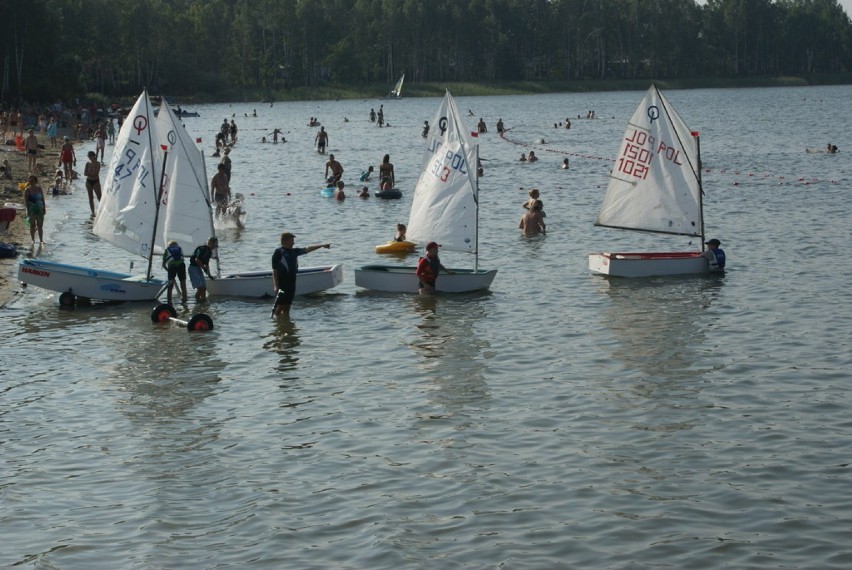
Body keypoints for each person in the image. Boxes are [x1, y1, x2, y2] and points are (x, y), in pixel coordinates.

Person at [271, 232, 331, 318]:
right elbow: (274, 270)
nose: (293, 243)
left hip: (292, 282)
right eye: (292, 241)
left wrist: (321, 245)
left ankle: (285, 324)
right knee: (280, 306)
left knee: (288, 306)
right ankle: (277, 322)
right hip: (282, 283)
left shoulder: (294, 251)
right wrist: (275, 285)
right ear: (285, 241)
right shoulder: (278, 252)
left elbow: (307, 249)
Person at [189, 237, 218, 302]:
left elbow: (206, 264)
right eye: (213, 245)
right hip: (193, 268)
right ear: (210, 243)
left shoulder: (209, 252)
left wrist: (209, 274)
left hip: (198, 268)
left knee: (204, 288)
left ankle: (203, 302)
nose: (214, 247)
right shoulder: (202, 249)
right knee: (201, 287)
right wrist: (203, 268)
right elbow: (197, 260)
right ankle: (198, 301)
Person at [23, 175, 46, 243]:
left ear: (36, 181)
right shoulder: (27, 190)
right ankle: (33, 240)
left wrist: (44, 208)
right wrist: (28, 210)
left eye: (32, 181)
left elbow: (42, 199)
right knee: (32, 225)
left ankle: (41, 240)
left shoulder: (39, 189)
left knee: (40, 225)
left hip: (39, 209)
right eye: (29, 181)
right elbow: (26, 202)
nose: (31, 182)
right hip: (31, 209)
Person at [83, 151, 102, 215]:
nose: (89, 157)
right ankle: (93, 212)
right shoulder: (87, 163)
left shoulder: (98, 163)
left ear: (94, 156)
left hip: (96, 181)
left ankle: (102, 211)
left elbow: (96, 173)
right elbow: (85, 173)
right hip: (88, 182)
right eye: (88, 156)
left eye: (90, 156)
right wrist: (91, 174)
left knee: (99, 197)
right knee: (90, 197)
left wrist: (89, 173)